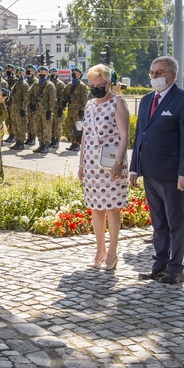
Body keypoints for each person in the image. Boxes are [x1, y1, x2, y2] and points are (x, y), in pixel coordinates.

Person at [129, 56, 184, 285]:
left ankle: (175, 268)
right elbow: (140, 135)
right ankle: (158, 264)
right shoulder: (147, 99)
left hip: (171, 173)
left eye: (159, 73)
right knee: (158, 222)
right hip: (149, 171)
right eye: (152, 73)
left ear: (172, 75)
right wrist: (134, 168)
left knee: (174, 222)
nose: (154, 77)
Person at [79, 65, 130, 270]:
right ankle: (99, 249)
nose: (96, 88)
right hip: (91, 163)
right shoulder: (90, 105)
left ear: (109, 83)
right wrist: (81, 163)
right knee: (95, 209)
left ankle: (112, 253)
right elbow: (85, 136)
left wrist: (118, 162)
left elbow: (125, 135)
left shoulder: (118, 102)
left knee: (112, 209)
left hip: (111, 163)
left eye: (100, 84)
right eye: (93, 84)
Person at [31, 65, 56, 154]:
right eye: (40, 72)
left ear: (47, 73)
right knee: (38, 127)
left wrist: (50, 110)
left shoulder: (49, 85)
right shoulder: (36, 84)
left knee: (47, 128)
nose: (41, 73)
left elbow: (52, 99)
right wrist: (31, 103)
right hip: (37, 110)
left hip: (46, 111)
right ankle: (41, 144)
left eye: (43, 72)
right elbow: (30, 93)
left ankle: (46, 145)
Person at [64, 66, 89, 151]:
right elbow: (65, 94)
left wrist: (82, 110)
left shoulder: (82, 86)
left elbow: (85, 99)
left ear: (79, 75)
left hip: (78, 110)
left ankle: (77, 144)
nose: (74, 74)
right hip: (71, 109)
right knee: (70, 126)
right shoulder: (70, 84)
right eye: (73, 72)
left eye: (76, 73)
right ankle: (73, 143)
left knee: (77, 128)